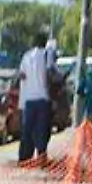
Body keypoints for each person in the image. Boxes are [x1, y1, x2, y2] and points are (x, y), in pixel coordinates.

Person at [15, 32, 54, 164]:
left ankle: (25, 159)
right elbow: (50, 73)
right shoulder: (47, 54)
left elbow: (21, 75)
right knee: (42, 131)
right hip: (43, 98)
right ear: (44, 42)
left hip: (28, 101)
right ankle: (41, 158)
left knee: (27, 131)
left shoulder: (26, 56)